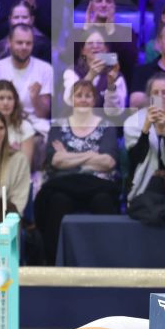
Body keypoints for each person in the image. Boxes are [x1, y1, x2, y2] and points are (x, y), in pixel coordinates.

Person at [33, 79, 122, 264]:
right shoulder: (58, 126)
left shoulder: (107, 126)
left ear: (94, 100)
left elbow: (109, 162)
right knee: (58, 201)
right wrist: (91, 155)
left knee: (103, 201)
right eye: (79, 95)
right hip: (64, 184)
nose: (83, 100)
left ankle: (107, 263)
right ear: (71, 99)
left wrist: (69, 156)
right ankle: (55, 263)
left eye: (88, 96)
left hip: (98, 185)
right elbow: (55, 161)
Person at [123, 72, 165, 205]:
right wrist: (145, 129)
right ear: (149, 96)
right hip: (142, 180)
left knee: (158, 185)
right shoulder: (132, 122)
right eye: (155, 92)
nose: (160, 97)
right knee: (155, 185)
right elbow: (134, 159)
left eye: (164, 92)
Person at [0, 25, 51, 132]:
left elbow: (43, 115)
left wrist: (35, 98)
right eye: (19, 43)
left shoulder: (45, 69)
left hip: (35, 126)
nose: (24, 47)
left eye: (28, 43)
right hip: (3, 123)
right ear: (9, 42)